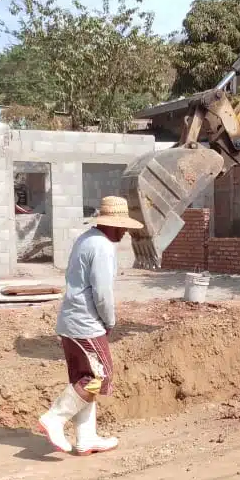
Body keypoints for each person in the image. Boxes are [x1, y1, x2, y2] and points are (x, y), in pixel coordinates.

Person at [37, 195, 143, 456]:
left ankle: (86, 438)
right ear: (113, 224)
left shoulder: (86, 239)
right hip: (87, 324)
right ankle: (54, 418)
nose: (126, 231)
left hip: (71, 322)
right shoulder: (103, 247)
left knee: (83, 380)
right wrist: (110, 321)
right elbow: (103, 292)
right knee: (99, 377)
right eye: (123, 226)